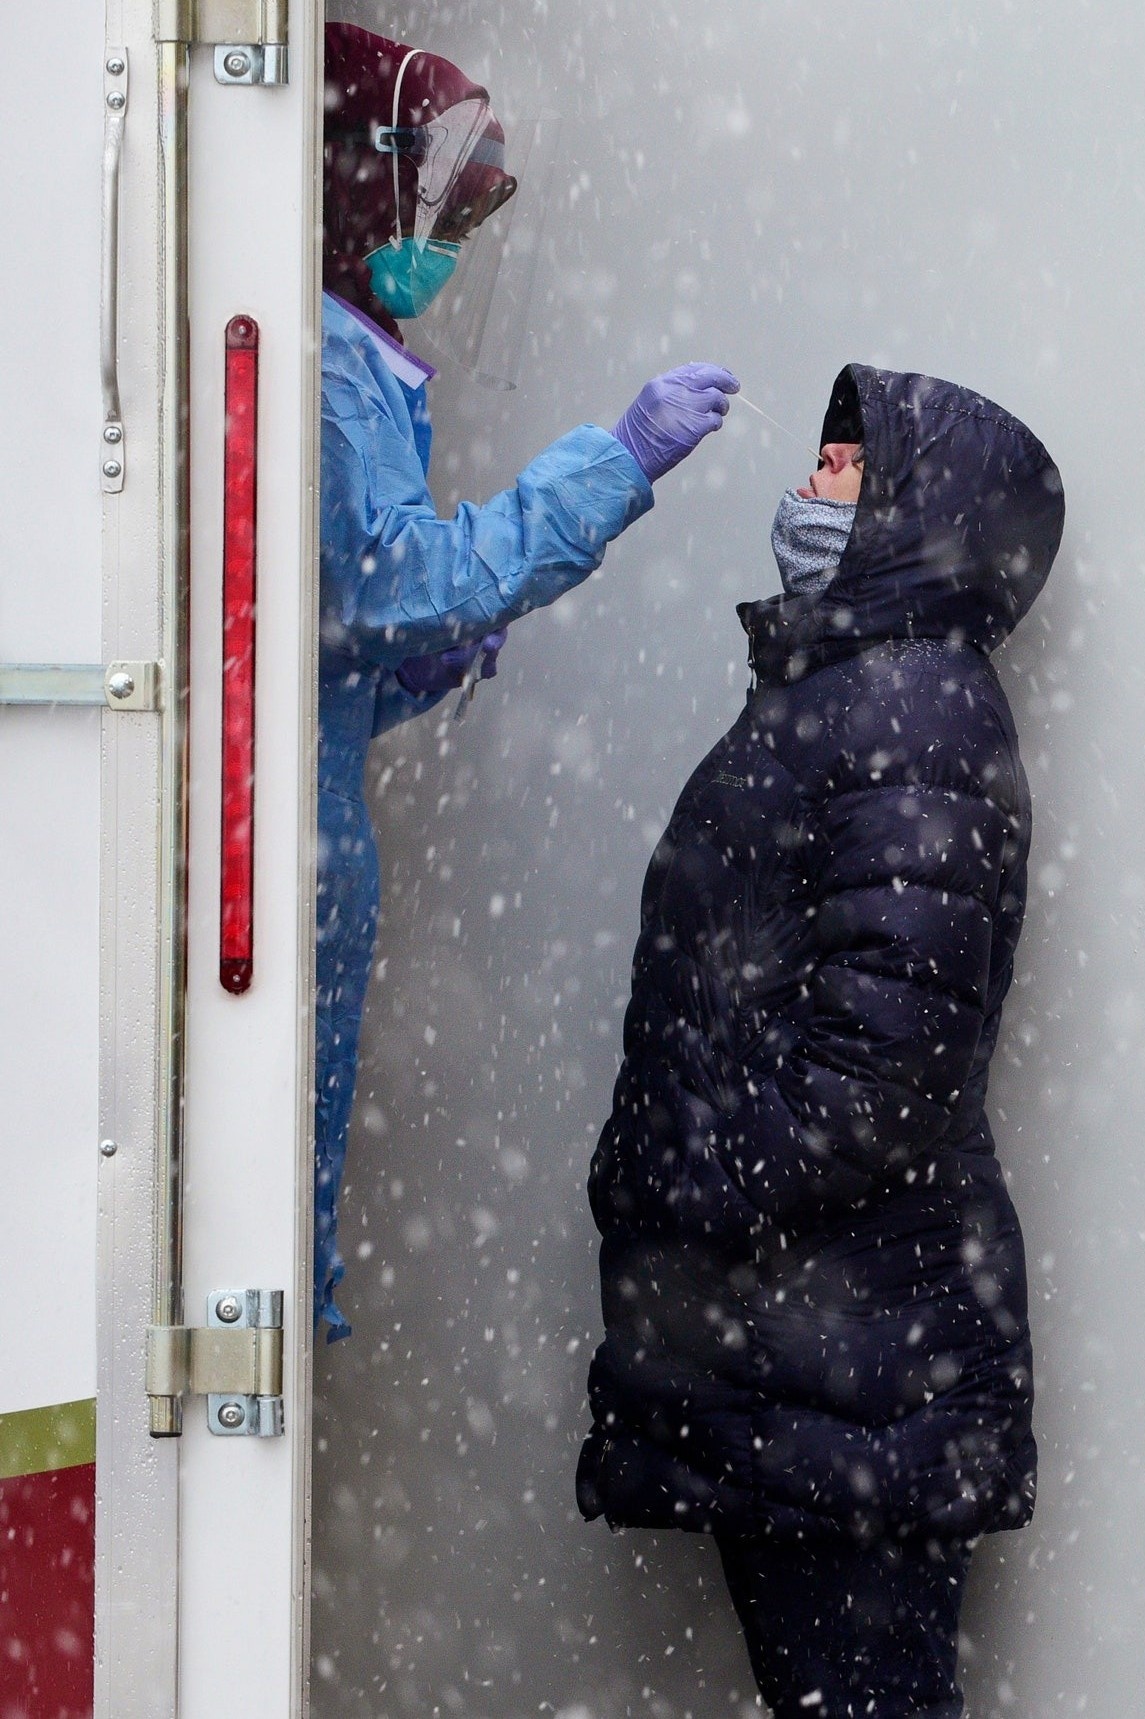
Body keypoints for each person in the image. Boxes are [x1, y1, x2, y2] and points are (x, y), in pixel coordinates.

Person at [577, 364, 1061, 1719]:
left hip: (849, 1340)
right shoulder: (850, 689)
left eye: (844, 467)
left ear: (920, 511)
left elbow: (881, 1074)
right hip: (819, 1343)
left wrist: (679, 1185)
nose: (808, 485)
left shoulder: (908, 705)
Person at [315, 24, 735, 1338]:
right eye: (443, 201)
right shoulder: (326, 363)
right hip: (287, 863)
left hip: (304, 844)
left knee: (289, 1173)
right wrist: (609, 465)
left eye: (473, 210)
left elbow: (309, 652)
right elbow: (389, 583)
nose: (447, 243)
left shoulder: (348, 351)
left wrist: (401, 678)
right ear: (352, 175)